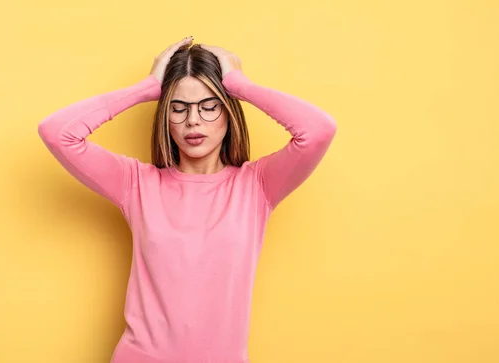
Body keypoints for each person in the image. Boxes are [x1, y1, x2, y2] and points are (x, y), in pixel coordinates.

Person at [38, 36, 338, 363]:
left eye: (209, 107)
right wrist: (148, 87)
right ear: (165, 116)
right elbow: (57, 132)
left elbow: (318, 130)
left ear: (229, 111)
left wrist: (239, 84)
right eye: (178, 108)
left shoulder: (257, 185)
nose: (192, 121)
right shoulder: (136, 183)